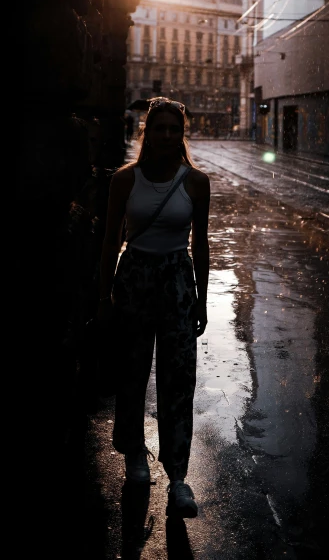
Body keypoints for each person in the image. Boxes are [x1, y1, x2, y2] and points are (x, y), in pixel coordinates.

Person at [98, 97, 210, 519]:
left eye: (174, 129)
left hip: (178, 281)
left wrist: (201, 296)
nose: (166, 135)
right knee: (131, 371)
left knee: (178, 377)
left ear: (182, 135)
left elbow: (200, 243)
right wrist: (102, 296)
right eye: (159, 128)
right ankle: (135, 457)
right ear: (147, 132)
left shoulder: (196, 182)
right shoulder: (125, 180)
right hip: (135, 278)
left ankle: (178, 477)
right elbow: (111, 241)